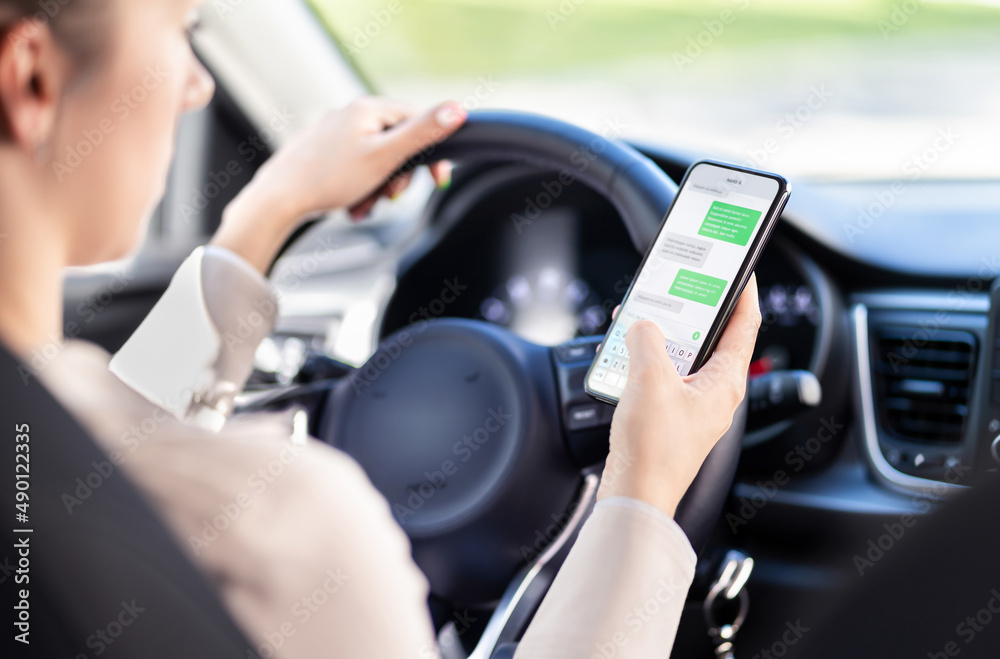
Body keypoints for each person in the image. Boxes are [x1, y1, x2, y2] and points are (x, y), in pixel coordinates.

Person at [0, 1, 761, 657]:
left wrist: (268, 213)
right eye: (180, 27)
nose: (198, 84)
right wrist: (643, 488)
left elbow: (108, 467)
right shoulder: (291, 529)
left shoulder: (53, 450)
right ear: (31, 76)